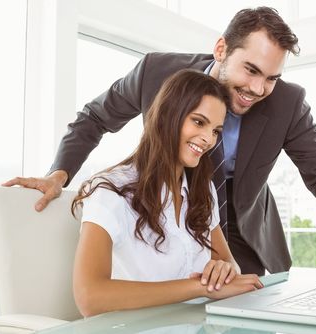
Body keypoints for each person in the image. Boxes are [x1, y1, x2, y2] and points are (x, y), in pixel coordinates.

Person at [4, 7, 316, 276]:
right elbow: (94, 118)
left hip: (242, 237)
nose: (258, 89)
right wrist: (59, 173)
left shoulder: (286, 102)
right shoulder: (155, 74)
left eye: (271, 78)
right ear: (221, 49)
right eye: (250, 70)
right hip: (170, 228)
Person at [71, 69, 262, 317]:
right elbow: (89, 297)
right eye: (199, 122)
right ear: (167, 116)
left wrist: (223, 271)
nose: (207, 139)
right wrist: (200, 287)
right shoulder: (109, 190)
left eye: (216, 130)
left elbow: (229, 263)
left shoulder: (202, 191)